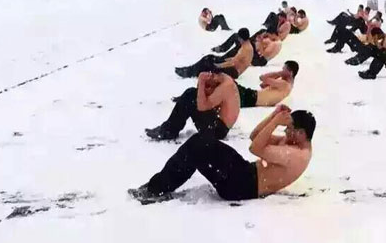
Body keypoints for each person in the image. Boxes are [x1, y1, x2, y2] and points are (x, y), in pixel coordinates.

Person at [130, 105, 315, 204]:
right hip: (245, 173)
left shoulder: (295, 155)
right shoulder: (293, 142)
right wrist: (273, 115)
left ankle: (157, 189)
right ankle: (159, 185)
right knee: (200, 140)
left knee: (197, 149)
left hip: (241, 186)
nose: (286, 132)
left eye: (289, 129)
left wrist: (275, 123)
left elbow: (255, 149)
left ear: (301, 133)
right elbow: (255, 137)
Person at [145, 71, 241, 141]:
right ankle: (169, 128)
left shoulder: (225, 87)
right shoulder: (224, 80)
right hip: (218, 125)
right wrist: (202, 85)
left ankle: (169, 130)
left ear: (213, 75)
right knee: (191, 94)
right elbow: (203, 95)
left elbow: (202, 106)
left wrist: (202, 81)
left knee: (190, 96)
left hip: (217, 131)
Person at [175, 28, 253, 79]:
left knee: (209, 63)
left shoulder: (245, 49)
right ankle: (189, 71)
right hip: (232, 68)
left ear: (241, 38)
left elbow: (233, 63)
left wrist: (219, 65)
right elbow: (236, 60)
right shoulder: (246, 46)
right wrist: (225, 60)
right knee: (209, 58)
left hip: (233, 72)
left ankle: (189, 72)